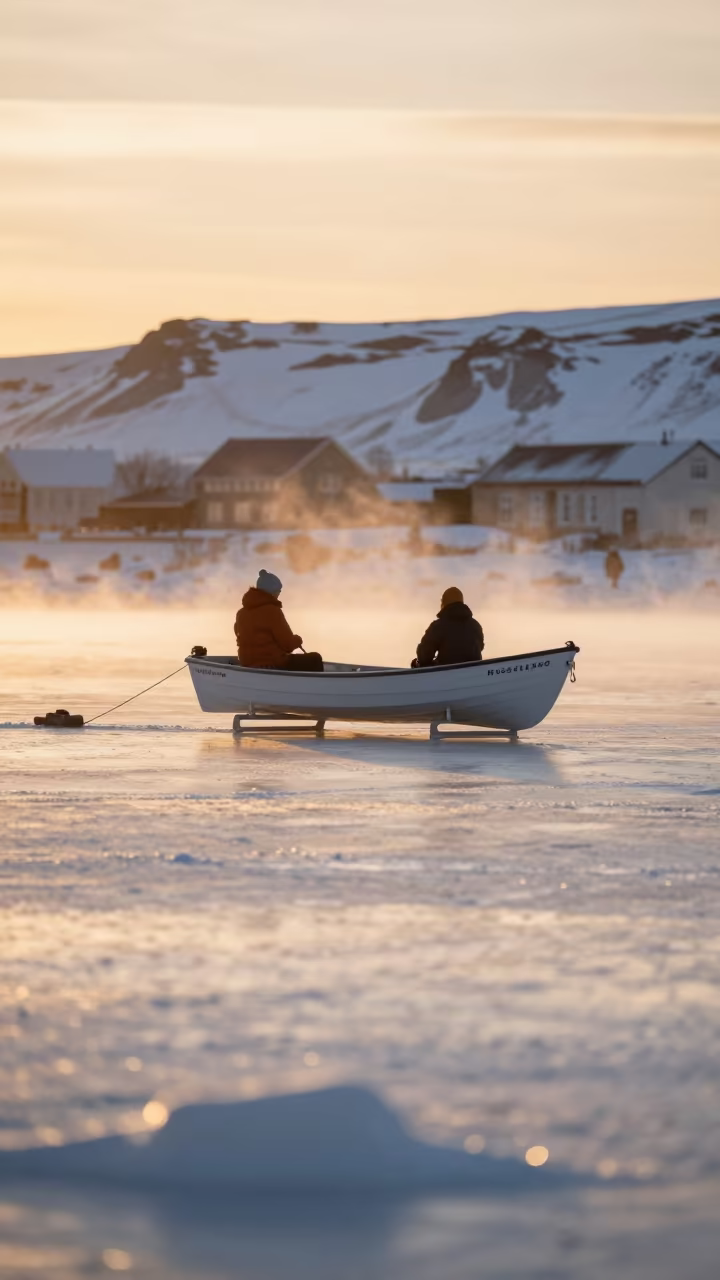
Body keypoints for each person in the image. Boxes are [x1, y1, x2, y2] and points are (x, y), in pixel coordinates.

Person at [234, 570, 324, 671]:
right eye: (278, 591)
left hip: (246, 662)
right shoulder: (273, 611)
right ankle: (317, 685)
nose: (278, 594)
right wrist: (297, 640)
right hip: (271, 663)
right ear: (271, 592)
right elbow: (287, 645)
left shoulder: (241, 613)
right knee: (315, 659)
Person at [412, 586, 484, 668]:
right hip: (474, 671)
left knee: (417, 664)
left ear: (444, 603)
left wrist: (417, 663)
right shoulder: (475, 625)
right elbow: (480, 647)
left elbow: (424, 656)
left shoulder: (438, 626)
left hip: (446, 674)